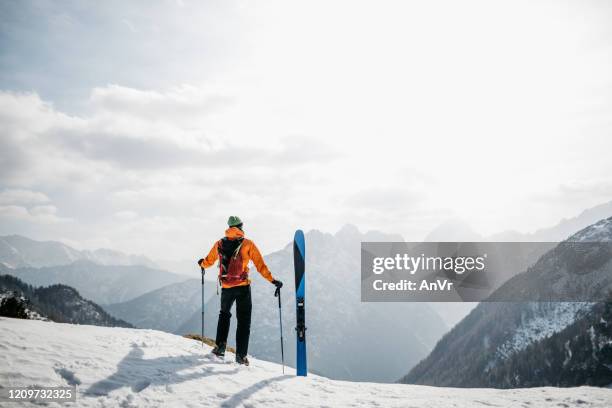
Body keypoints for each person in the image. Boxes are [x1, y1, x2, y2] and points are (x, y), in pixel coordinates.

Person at [198, 216, 282, 366]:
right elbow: (260, 265)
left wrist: (202, 264)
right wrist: (273, 280)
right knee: (244, 322)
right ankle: (241, 356)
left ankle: (220, 348)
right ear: (241, 227)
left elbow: (209, 261)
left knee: (224, 315)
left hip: (226, 287)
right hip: (243, 286)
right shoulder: (247, 244)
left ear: (229, 227)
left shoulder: (220, 243)